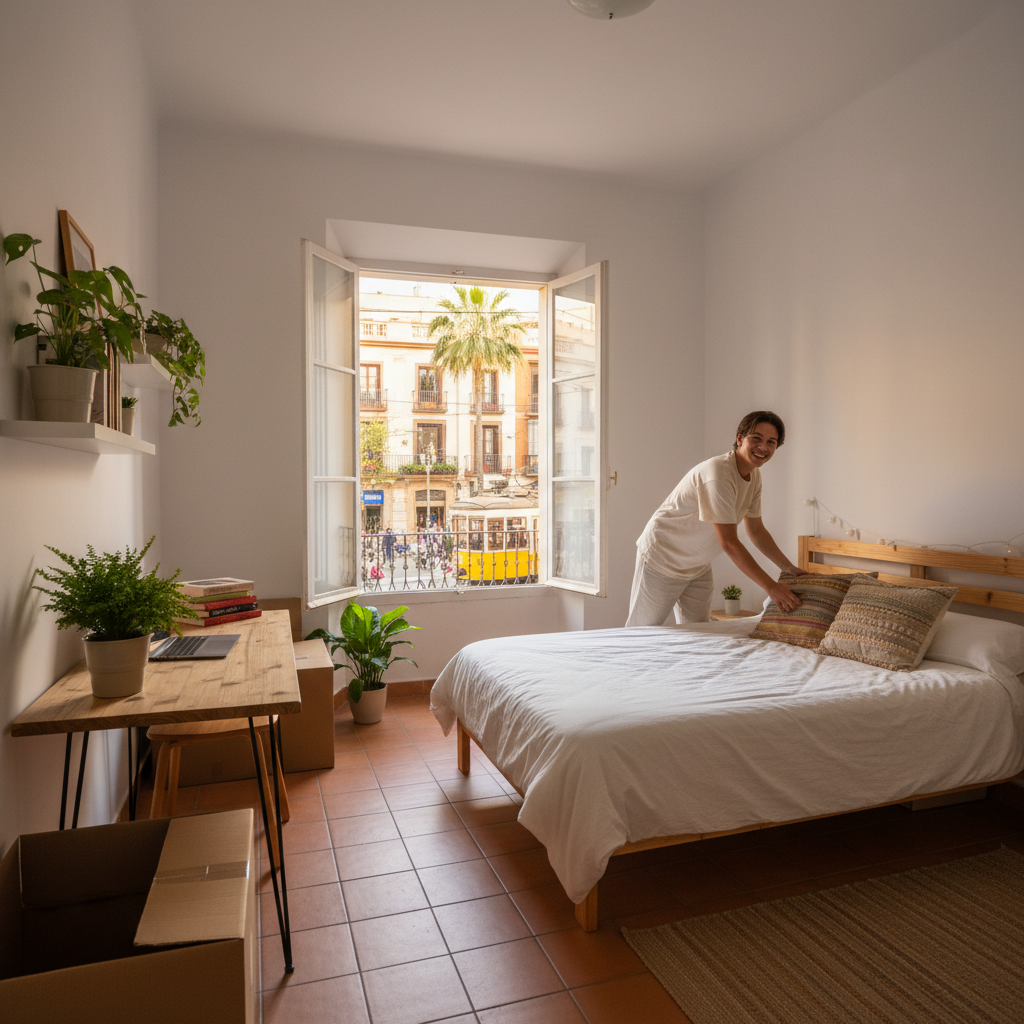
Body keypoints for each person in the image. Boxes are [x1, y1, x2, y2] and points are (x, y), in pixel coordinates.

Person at [626, 410, 805, 627]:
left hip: (698, 564)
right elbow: (729, 543)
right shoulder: (719, 474)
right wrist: (771, 588)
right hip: (664, 558)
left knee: (700, 631)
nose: (763, 448)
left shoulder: (754, 476)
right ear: (740, 438)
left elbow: (756, 530)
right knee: (640, 632)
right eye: (756, 439)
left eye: (771, 442)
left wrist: (788, 568)